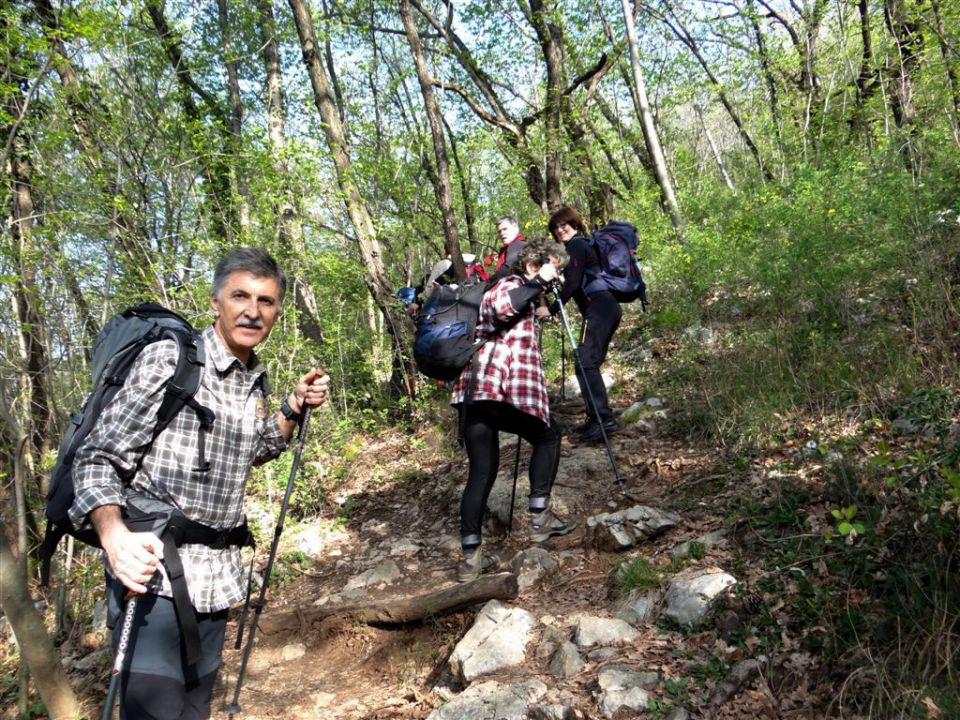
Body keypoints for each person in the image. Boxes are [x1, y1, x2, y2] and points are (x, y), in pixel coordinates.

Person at [70, 248, 330, 720]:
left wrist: (293, 406)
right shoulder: (170, 361)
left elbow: (254, 450)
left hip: (216, 580)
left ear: (276, 311)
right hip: (152, 578)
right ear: (216, 302)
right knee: (155, 713)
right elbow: (95, 457)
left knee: (195, 712)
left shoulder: (252, 379)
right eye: (241, 296)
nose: (253, 310)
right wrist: (113, 536)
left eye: (266, 301)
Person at [451, 239, 575, 582]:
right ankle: (539, 518)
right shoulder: (509, 283)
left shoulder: (525, 290)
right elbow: (502, 307)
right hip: (496, 389)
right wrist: (539, 282)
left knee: (482, 472)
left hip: (478, 392)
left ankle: (470, 559)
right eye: (554, 267)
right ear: (535, 262)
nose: (557, 274)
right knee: (549, 436)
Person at [544, 206, 622, 443]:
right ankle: (596, 418)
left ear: (575, 224)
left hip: (599, 309)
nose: (560, 230)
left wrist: (551, 308)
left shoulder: (577, 245)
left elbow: (574, 283)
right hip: (603, 309)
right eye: (556, 228)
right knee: (588, 362)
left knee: (584, 362)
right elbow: (576, 279)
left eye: (563, 225)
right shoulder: (579, 247)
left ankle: (603, 419)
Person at [485, 215, 527, 285]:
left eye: (505, 229)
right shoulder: (506, 249)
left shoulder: (519, 245)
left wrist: (487, 284)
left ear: (515, 227)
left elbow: (505, 271)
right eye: (499, 231)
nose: (502, 233)